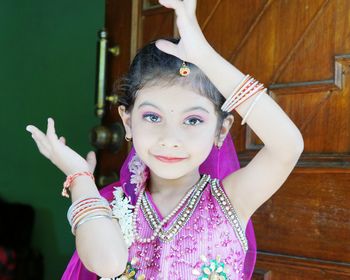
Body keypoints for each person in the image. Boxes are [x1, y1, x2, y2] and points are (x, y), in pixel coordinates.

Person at [26, 0, 304, 279]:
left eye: (193, 120)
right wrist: (79, 178)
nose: (171, 139)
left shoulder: (229, 200)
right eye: (153, 117)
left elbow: (287, 146)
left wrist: (205, 57)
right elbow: (107, 263)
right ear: (127, 121)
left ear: (221, 130)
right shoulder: (116, 205)